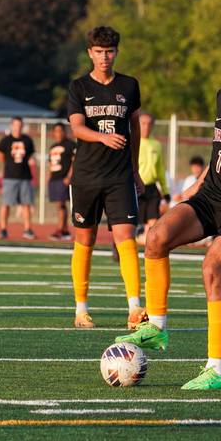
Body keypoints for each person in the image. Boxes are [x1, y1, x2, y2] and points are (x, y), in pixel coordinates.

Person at [116, 31, 221, 391]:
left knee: (211, 269)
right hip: (210, 195)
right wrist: (194, 188)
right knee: (156, 237)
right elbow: (219, 153)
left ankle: (216, 370)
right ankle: (157, 327)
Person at [66, 25, 146, 330]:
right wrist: (103, 137)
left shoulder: (129, 86)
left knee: (125, 237)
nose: (104, 57)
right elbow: (77, 127)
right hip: (86, 175)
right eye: (99, 52)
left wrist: (136, 169)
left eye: (109, 51)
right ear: (90, 53)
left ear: (116, 52)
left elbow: (135, 128)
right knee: (84, 239)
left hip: (120, 176)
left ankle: (134, 308)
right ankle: (81, 308)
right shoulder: (79, 87)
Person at [0, 116, 36, 240]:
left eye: (20, 125)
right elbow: (0, 156)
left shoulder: (27, 140)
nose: (18, 128)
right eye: (15, 125)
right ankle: (3, 229)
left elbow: (30, 155)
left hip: (24, 176)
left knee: (26, 204)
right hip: (10, 176)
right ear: (11, 126)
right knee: (6, 204)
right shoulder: (5, 140)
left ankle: (27, 229)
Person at [137, 113, 169, 245]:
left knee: (154, 224)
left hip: (151, 189)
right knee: (132, 224)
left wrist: (166, 191)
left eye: (149, 124)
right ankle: (118, 246)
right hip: (136, 188)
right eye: (143, 123)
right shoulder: (133, 141)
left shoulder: (156, 145)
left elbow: (160, 170)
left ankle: (149, 251)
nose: (146, 127)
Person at [47, 122, 76, 241]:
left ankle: (61, 229)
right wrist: (49, 178)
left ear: (65, 132)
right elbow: (50, 163)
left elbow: (75, 161)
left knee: (61, 204)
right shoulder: (53, 146)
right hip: (55, 178)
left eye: (61, 130)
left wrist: (69, 176)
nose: (58, 133)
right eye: (56, 131)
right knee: (59, 205)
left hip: (64, 178)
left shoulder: (71, 145)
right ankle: (64, 230)